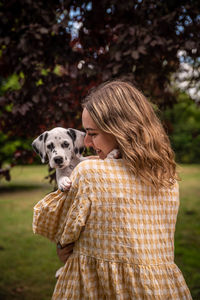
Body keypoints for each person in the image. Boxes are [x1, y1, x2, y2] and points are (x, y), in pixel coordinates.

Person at [33, 80, 192, 299]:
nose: (86, 141)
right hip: (161, 288)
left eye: (93, 133)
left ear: (120, 131)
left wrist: (62, 247)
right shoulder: (167, 177)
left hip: (99, 287)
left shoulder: (90, 173)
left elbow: (56, 229)